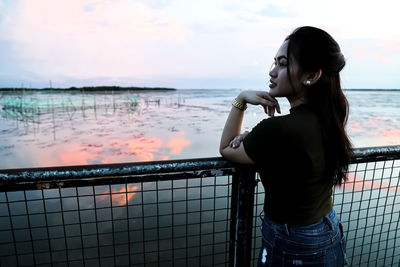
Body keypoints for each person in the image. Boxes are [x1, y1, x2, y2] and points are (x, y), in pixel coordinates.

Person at [219, 26, 352, 266]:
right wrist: (254, 137)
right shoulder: (328, 120)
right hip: (327, 229)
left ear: (311, 75)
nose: (272, 72)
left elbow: (226, 148)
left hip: (293, 242)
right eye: (274, 63)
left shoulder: (277, 129)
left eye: (282, 64)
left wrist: (240, 101)